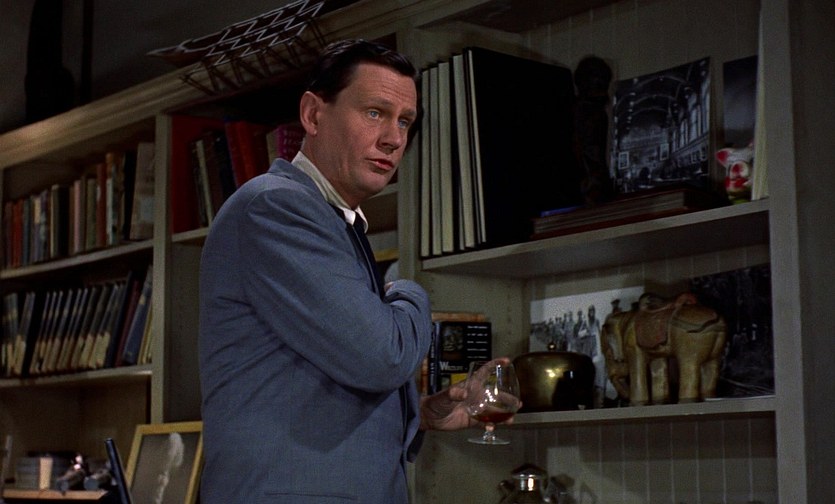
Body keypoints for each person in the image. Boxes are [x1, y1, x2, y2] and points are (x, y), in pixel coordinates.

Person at [198, 39, 505, 504]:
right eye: (375, 113)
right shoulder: (277, 206)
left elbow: (313, 384)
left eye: (405, 121)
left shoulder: (331, 219)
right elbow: (383, 356)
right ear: (313, 115)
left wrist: (419, 413)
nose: (393, 139)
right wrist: (408, 290)